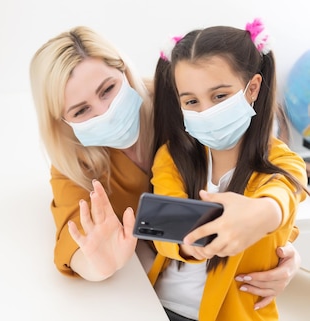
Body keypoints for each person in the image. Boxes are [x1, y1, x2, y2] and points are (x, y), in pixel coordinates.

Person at [28, 25, 302, 309]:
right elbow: (74, 240)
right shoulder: (74, 165)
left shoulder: (187, 106)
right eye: (81, 110)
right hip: (162, 290)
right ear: (63, 121)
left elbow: (272, 176)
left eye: (108, 89)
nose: (104, 111)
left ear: (124, 71)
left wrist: (283, 249)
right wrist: (99, 265)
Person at [148, 19, 307, 321]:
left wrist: (263, 214)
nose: (206, 111)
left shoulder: (284, 162)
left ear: (253, 88)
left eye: (219, 96)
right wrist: (187, 244)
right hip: (158, 304)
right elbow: (163, 231)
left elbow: (283, 196)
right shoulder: (172, 156)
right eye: (191, 101)